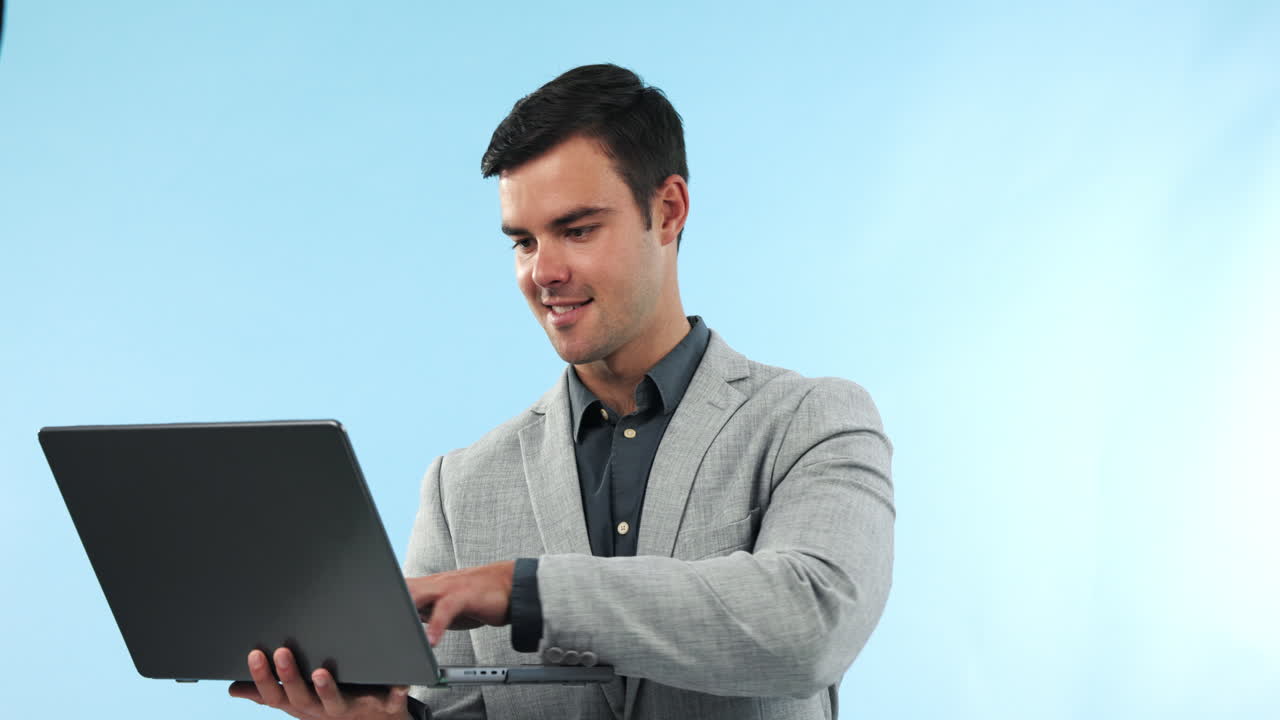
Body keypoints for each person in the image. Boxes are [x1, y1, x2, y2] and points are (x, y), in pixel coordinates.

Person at [229, 63, 894, 720]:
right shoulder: (459, 489)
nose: (542, 272)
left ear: (667, 211)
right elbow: (450, 710)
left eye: (576, 230)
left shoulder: (811, 422)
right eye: (523, 241)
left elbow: (811, 626)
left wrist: (524, 591)